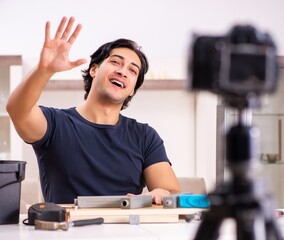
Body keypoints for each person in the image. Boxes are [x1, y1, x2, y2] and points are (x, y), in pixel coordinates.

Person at [6, 16, 180, 204]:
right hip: (66, 231)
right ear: (94, 70)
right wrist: (44, 69)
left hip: (126, 231)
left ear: (132, 90)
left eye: (132, 70)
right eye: (115, 62)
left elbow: (170, 190)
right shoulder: (55, 123)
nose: (123, 71)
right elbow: (18, 110)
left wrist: (161, 193)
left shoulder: (145, 136)